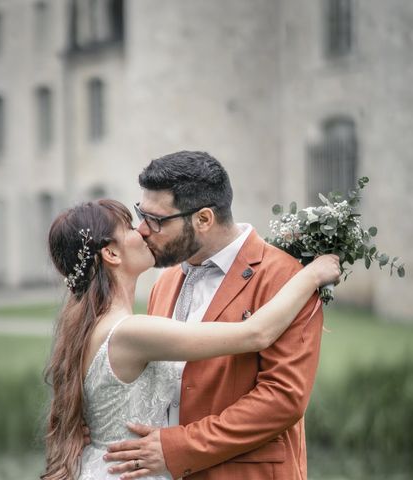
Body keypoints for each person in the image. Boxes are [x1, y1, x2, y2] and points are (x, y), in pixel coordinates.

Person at [42, 198, 340, 480]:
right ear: (111, 253)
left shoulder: (87, 327)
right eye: (131, 227)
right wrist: (311, 275)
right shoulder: (129, 332)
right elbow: (255, 333)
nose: (143, 231)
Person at [103, 151, 327, 480]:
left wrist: (177, 448)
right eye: (141, 214)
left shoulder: (285, 278)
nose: (143, 231)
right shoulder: (163, 283)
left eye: (156, 220)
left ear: (204, 219)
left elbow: (283, 399)